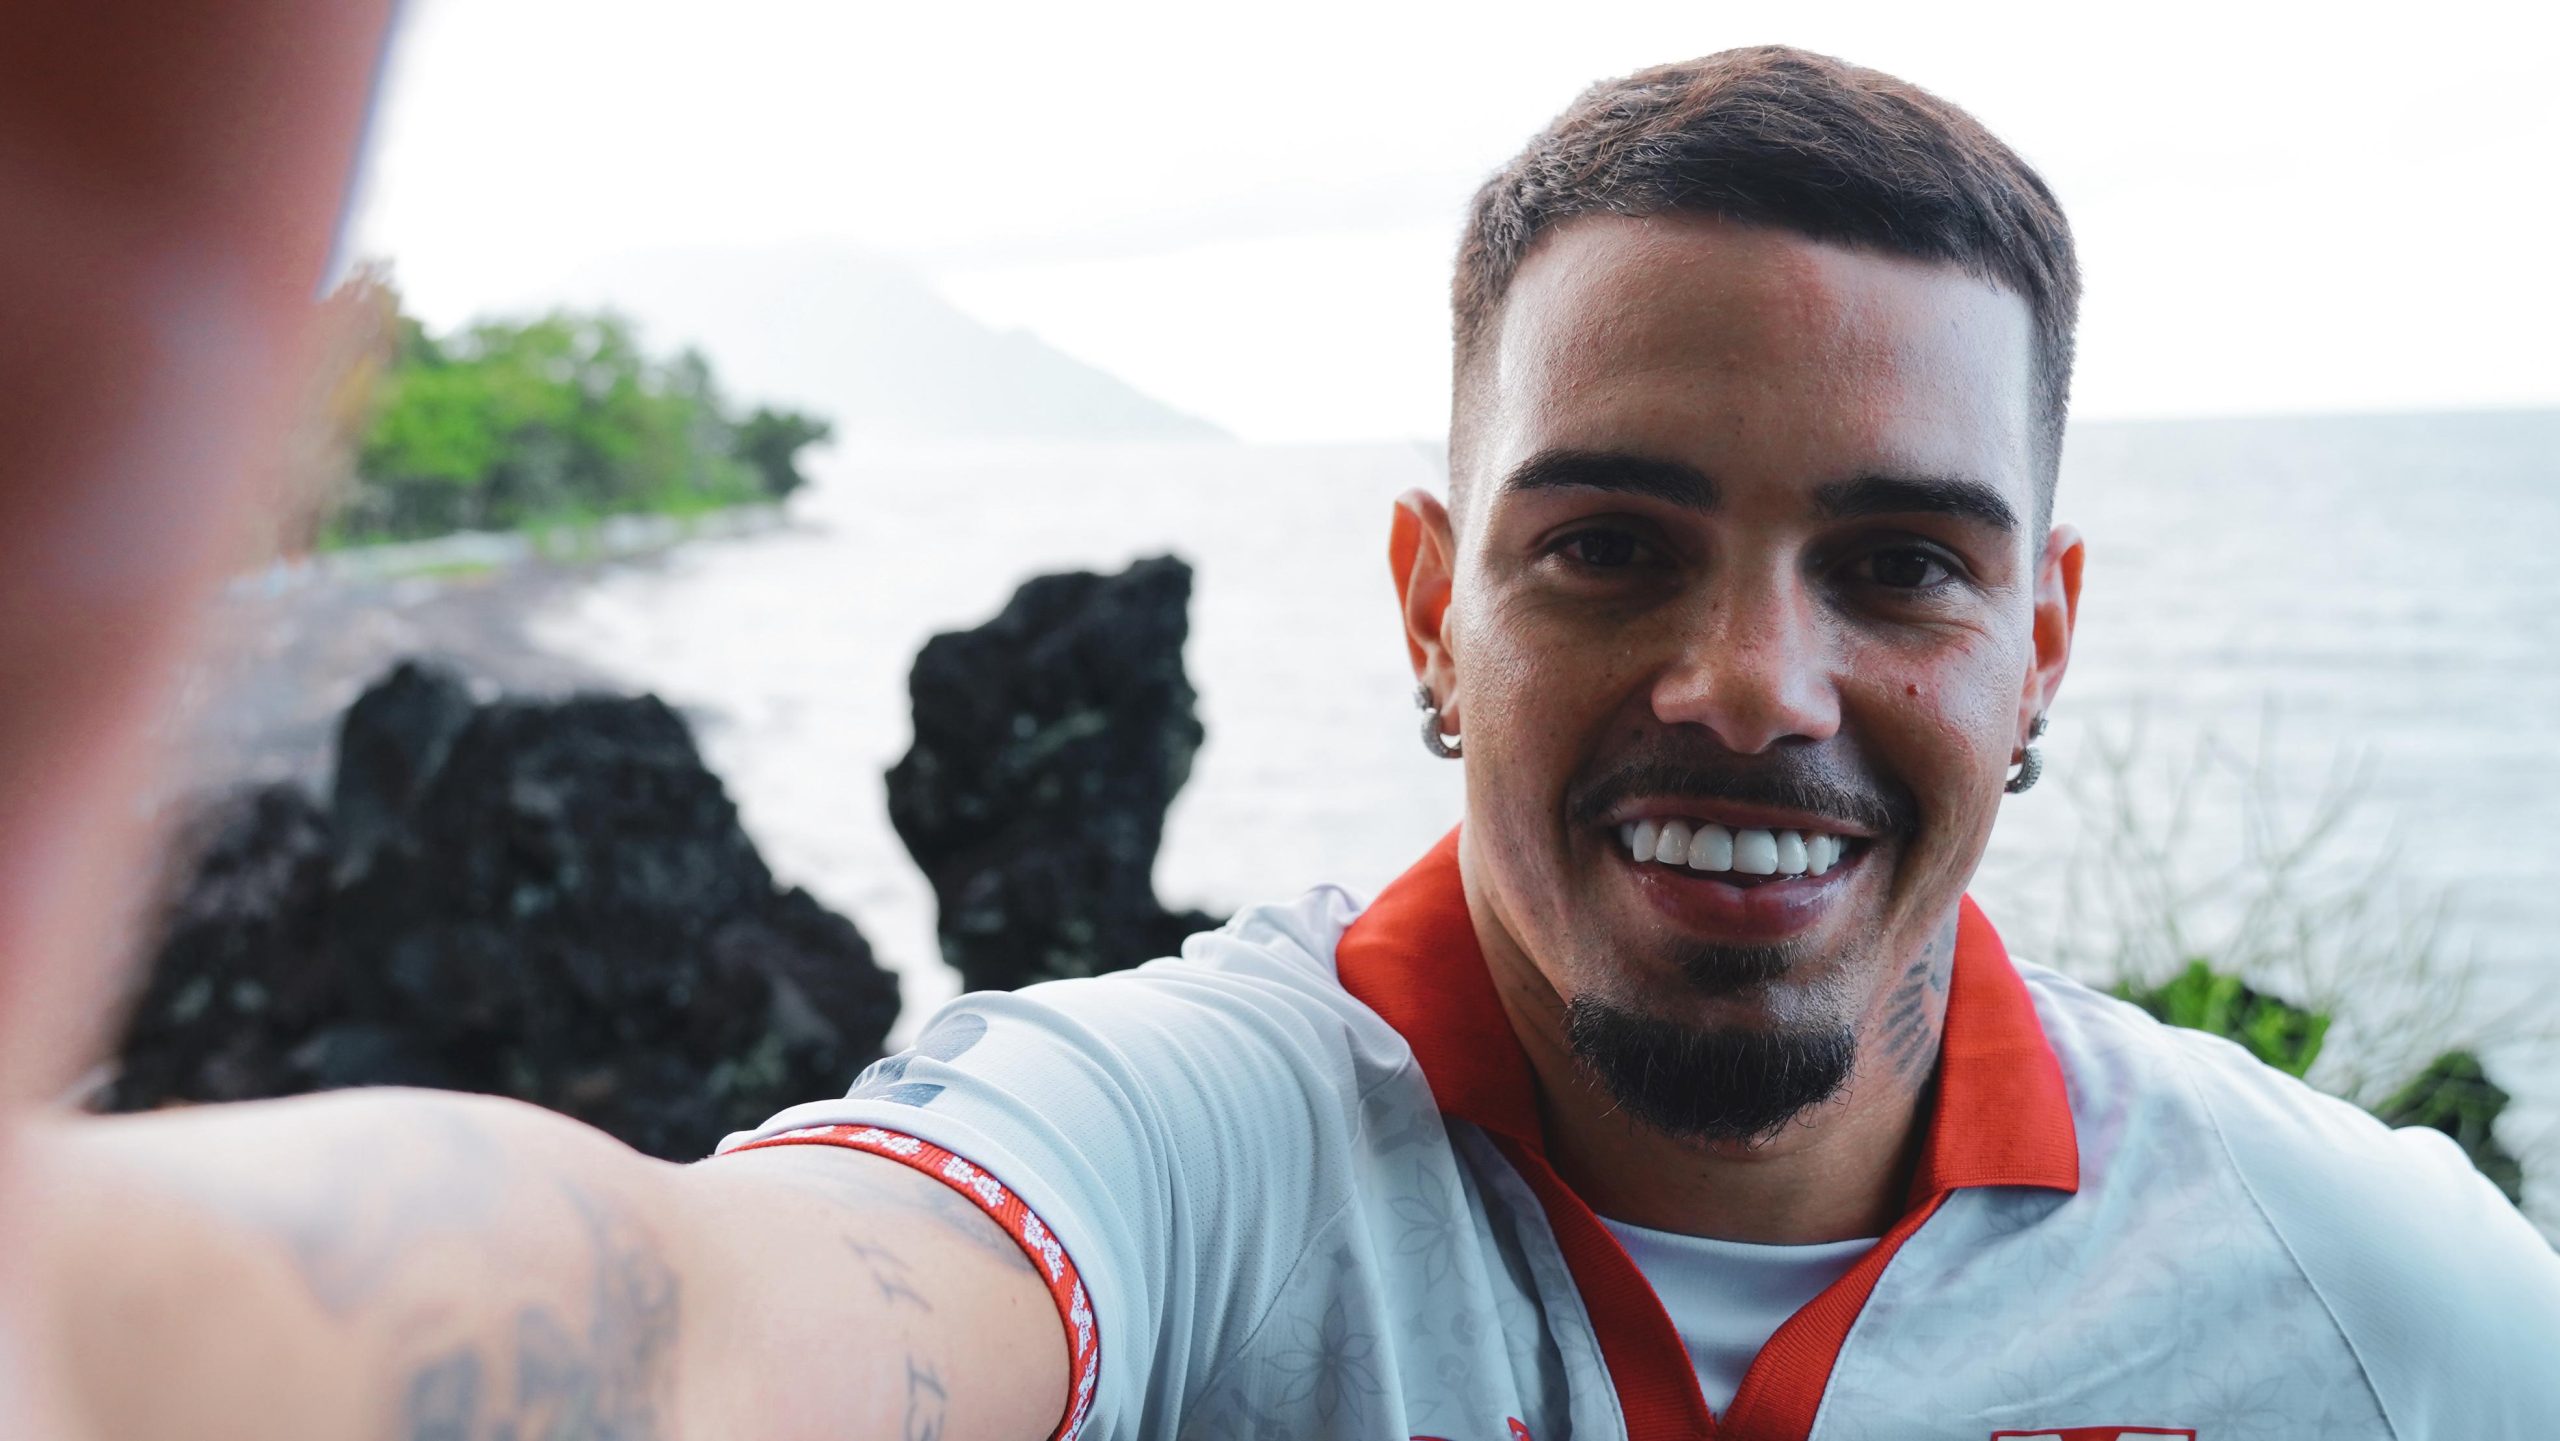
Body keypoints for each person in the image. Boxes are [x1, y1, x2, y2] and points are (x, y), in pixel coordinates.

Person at [3, 20, 2554, 1441]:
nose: (1751, 683)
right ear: (1433, 611)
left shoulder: (2370, 1290)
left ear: (2043, 640)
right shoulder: (1196, 1154)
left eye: (1898, 565)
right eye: (1607, 543)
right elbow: (699, 1323)